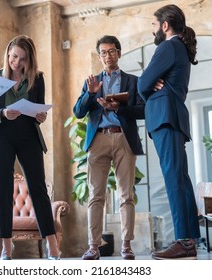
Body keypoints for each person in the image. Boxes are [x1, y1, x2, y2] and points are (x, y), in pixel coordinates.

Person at [0, 35, 60, 260]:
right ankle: (6, 246)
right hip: (1, 137)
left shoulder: (37, 78)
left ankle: (52, 244)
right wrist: (3, 113)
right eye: (14, 56)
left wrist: (40, 116)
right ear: (8, 53)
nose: (16, 62)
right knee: (4, 191)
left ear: (30, 60)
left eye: (22, 59)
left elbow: (39, 112)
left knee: (38, 189)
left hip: (28, 136)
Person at [137, 4, 201, 260]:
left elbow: (142, 83)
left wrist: (150, 88)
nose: (153, 30)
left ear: (165, 25)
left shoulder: (167, 46)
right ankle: (189, 239)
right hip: (173, 118)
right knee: (180, 179)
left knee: (175, 180)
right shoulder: (180, 49)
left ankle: (183, 240)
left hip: (165, 118)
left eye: (154, 25)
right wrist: (154, 85)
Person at [73, 35, 145, 260]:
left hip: (123, 138)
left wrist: (118, 108)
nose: (107, 56)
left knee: (126, 195)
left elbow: (142, 110)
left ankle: (126, 245)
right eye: (103, 52)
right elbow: (78, 112)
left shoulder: (133, 81)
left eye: (111, 51)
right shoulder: (92, 81)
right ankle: (93, 247)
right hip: (98, 140)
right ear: (99, 55)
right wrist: (91, 93)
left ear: (119, 53)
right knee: (96, 195)